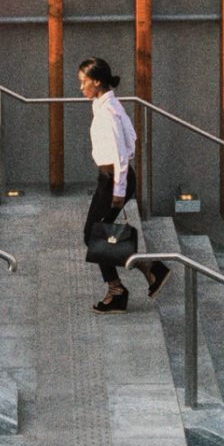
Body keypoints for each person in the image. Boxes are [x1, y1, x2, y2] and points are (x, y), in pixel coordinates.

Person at [79, 57, 170, 313]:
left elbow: (121, 151)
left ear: (97, 81)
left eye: (84, 82)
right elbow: (132, 137)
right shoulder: (106, 104)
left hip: (114, 180)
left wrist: (118, 189)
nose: (81, 87)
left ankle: (139, 274)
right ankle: (133, 278)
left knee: (92, 234)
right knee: (96, 233)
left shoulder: (108, 110)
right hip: (114, 177)